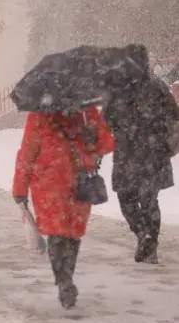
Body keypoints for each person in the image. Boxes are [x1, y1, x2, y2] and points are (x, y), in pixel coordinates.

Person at [12, 107, 115, 309]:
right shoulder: (42, 114)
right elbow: (28, 151)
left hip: (75, 183)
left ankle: (64, 276)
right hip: (52, 184)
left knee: (72, 234)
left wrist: (94, 136)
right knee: (59, 233)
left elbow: (107, 144)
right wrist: (19, 187)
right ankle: (64, 280)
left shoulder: (86, 112)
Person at [102, 44, 179, 264]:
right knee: (150, 200)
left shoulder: (117, 90)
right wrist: (169, 146)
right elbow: (174, 117)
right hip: (155, 153)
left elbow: (104, 123)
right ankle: (150, 244)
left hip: (128, 154)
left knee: (126, 199)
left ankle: (142, 234)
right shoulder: (159, 87)